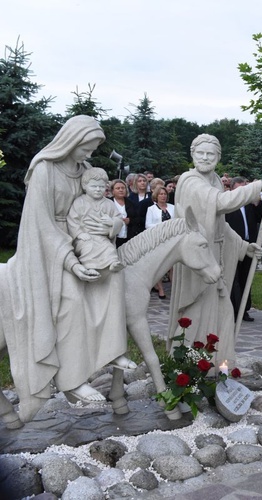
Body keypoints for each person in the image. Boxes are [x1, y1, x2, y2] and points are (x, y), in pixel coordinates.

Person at [0, 116, 133, 421]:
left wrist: (112, 225)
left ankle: (112, 352)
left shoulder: (87, 171)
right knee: (72, 299)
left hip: (85, 243)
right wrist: (71, 262)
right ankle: (71, 382)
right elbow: (42, 224)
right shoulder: (45, 169)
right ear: (72, 139)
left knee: (113, 279)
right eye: (87, 146)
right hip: (48, 250)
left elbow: (103, 208)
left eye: (94, 147)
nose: (89, 153)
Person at [168, 134, 262, 369]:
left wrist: (243, 246)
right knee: (196, 313)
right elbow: (221, 203)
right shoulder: (190, 181)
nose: (205, 158)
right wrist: (255, 188)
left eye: (211, 154)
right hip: (196, 261)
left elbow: (221, 223)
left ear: (218, 157)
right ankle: (186, 366)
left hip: (214, 255)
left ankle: (219, 363)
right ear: (192, 154)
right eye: (201, 153)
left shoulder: (215, 180)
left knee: (223, 311)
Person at [67, 167, 124, 273]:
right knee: (88, 247)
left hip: (102, 237)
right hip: (85, 238)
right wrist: (79, 233)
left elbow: (119, 219)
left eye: (101, 187)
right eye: (94, 186)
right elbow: (72, 220)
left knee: (108, 248)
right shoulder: (80, 202)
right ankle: (90, 267)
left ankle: (113, 263)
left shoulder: (109, 204)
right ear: (85, 186)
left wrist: (112, 222)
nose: (98, 189)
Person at [225, 176, 262, 321]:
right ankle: (233, 309)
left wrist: (257, 203)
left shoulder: (249, 204)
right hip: (234, 246)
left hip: (250, 245)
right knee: (233, 277)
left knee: (246, 276)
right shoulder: (228, 206)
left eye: (244, 189)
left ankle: (244, 309)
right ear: (232, 189)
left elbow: (260, 217)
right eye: (239, 189)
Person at [145, 185, 175, 300]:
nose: (163, 196)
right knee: (159, 265)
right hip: (158, 240)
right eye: (160, 194)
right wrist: (163, 226)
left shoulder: (172, 207)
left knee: (173, 266)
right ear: (156, 196)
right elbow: (148, 225)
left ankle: (174, 288)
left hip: (172, 239)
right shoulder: (151, 209)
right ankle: (161, 289)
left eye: (164, 194)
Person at [110, 178, 138, 248]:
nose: (121, 190)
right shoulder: (109, 203)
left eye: (123, 188)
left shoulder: (131, 203)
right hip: (112, 237)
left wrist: (130, 221)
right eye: (118, 188)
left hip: (128, 237)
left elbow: (137, 219)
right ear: (113, 191)